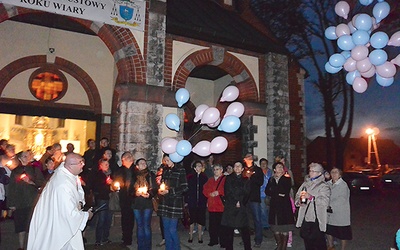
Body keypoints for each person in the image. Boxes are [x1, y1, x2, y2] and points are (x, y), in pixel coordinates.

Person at [27, 153, 94, 250]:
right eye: (80, 162)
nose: (83, 164)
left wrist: (79, 203)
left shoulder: (68, 174)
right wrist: (86, 216)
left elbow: (76, 194)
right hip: (58, 224)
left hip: (60, 219)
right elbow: (68, 214)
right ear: (70, 165)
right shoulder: (62, 184)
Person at [8, 150, 45, 250]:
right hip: (20, 201)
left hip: (32, 201)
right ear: (20, 158)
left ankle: (32, 246)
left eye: (27, 156)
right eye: (24, 156)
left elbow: (41, 182)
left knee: (32, 225)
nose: (27, 158)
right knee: (21, 225)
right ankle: (21, 247)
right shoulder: (16, 171)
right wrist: (11, 203)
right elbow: (11, 187)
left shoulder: (34, 169)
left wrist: (31, 182)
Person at [295, 162, 330, 250]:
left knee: (318, 243)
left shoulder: (323, 186)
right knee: (307, 241)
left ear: (319, 173)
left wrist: (311, 197)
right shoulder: (305, 184)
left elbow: (324, 202)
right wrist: (298, 202)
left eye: (313, 171)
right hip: (306, 217)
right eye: (310, 171)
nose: (311, 173)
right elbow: (297, 195)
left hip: (316, 218)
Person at [157, 154, 188, 250]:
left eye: (169, 160)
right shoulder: (165, 170)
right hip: (165, 202)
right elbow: (163, 184)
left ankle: (176, 248)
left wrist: (170, 191)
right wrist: (160, 190)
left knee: (172, 229)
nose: (167, 162)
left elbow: (185, 187)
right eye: (165, 160)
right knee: (166, 229)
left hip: (175, 202)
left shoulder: (180, 170)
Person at [221, 161, 251, 250]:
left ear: (242, 169)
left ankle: (248, 248)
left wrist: (241, 202)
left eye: (239, 166)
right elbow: (228, 191)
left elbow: (247, 192)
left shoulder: (246, 179)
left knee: (245, 229)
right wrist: (235, 201)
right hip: (231, 206)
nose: (237, 168)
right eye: (235, 166)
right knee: (229, 229)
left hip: (242, 207)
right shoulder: (229, 178)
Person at [265, 162, 295, 250]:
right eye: (278, 167)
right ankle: (279, 244)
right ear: (274, 169)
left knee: (284, 227)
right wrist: (277, 193)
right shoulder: (271, 179)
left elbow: (285, 191)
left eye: (281, 167)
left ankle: (284, 246)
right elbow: (267, 191)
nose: (280, 169)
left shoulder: (286, 178)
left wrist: (275, 191)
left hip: (284, 205)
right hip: (274, 205)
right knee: (276, 226)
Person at [131, 158, 156, 250]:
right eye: (141, 163)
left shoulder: (150, 175)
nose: (144, 164)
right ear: (137, 166)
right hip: (136, 203)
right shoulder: (133, 176)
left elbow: (155, 188)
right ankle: (141, 247)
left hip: (147, 204)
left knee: (146, 225)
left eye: (145, 163)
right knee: (139, 225)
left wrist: (149, 195)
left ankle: (147, 247)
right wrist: (135, 193)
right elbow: (129, 189)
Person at [113, 151, 136, 248]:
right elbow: (115, 183)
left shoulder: (136, 170)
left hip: (135, 198)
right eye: (127, 156)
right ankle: (126, 238)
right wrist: (115, 186)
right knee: (126, 219)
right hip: (125, 198)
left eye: (131, 156)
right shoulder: (119, 171)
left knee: (135, 219)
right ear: (123, 160)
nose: (130, 157)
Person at [326, 168, 352, 250]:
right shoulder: (327, 184)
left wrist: (328, 204)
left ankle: (343, 249)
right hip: (329, 213)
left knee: (342, 233)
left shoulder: (343, 185)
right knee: (329, 230)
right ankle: (330, 246)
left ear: (340, 174)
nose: (334, 174)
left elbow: (341, 199)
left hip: (340, 213)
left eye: (336, 172)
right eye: (332, 172)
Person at [243, 153, 264, 248]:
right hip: (245, 198)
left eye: (249, 156)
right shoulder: (243, 169)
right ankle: (246, 239)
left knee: (257, 219)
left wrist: (251, 177)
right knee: (245, 220)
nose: (248, 158)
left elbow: (260, 182)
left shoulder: (258, 170)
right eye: (246, 156)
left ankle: (258, 239)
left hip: (254, 197)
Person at [92, 158, 114, 246]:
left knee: (108, 219)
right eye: (105, 165)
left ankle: (105, 238)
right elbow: (97, 187)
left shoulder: (111, 174)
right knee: (101, 219)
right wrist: (107, 185)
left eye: (108, 164)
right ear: (101, 166)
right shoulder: (98, 175)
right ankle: (98, 239)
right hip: (102, 199)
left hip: (110, 199)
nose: (107, 166)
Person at [203, 164, 226, 247]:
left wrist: (219, 192)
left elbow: (227, 190)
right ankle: (213, 240)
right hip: (212, 206)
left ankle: (223, 242)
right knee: (212, 225)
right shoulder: (210, 180)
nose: (215, 171)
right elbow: (205, 189)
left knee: (222, 225)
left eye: (217, 169)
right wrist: (209, 194)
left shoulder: (225, 179)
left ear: (221, 170)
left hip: (221, 206)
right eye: (214, 169)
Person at [186, 160, 208, 243]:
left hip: (201, 201)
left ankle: (200, 236)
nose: (199, 167)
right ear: (194, 168)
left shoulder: (204, 177)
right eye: (198, 166)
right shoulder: (190, 177)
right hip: (192, 200)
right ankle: (190, 235)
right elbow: (187, 189)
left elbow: (206, 189)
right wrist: (187, 200)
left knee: (200, 219)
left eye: (200, 166)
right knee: (192, 219)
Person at [259, 158, 272, 230]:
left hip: (270, 193)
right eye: (262, 163)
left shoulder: (271, 172)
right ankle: (265, 225)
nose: (263, 165)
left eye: (265, 163)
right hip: (261, 194)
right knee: (263, 209)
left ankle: (270, 222)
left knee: (269, 209)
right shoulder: (258, 172)